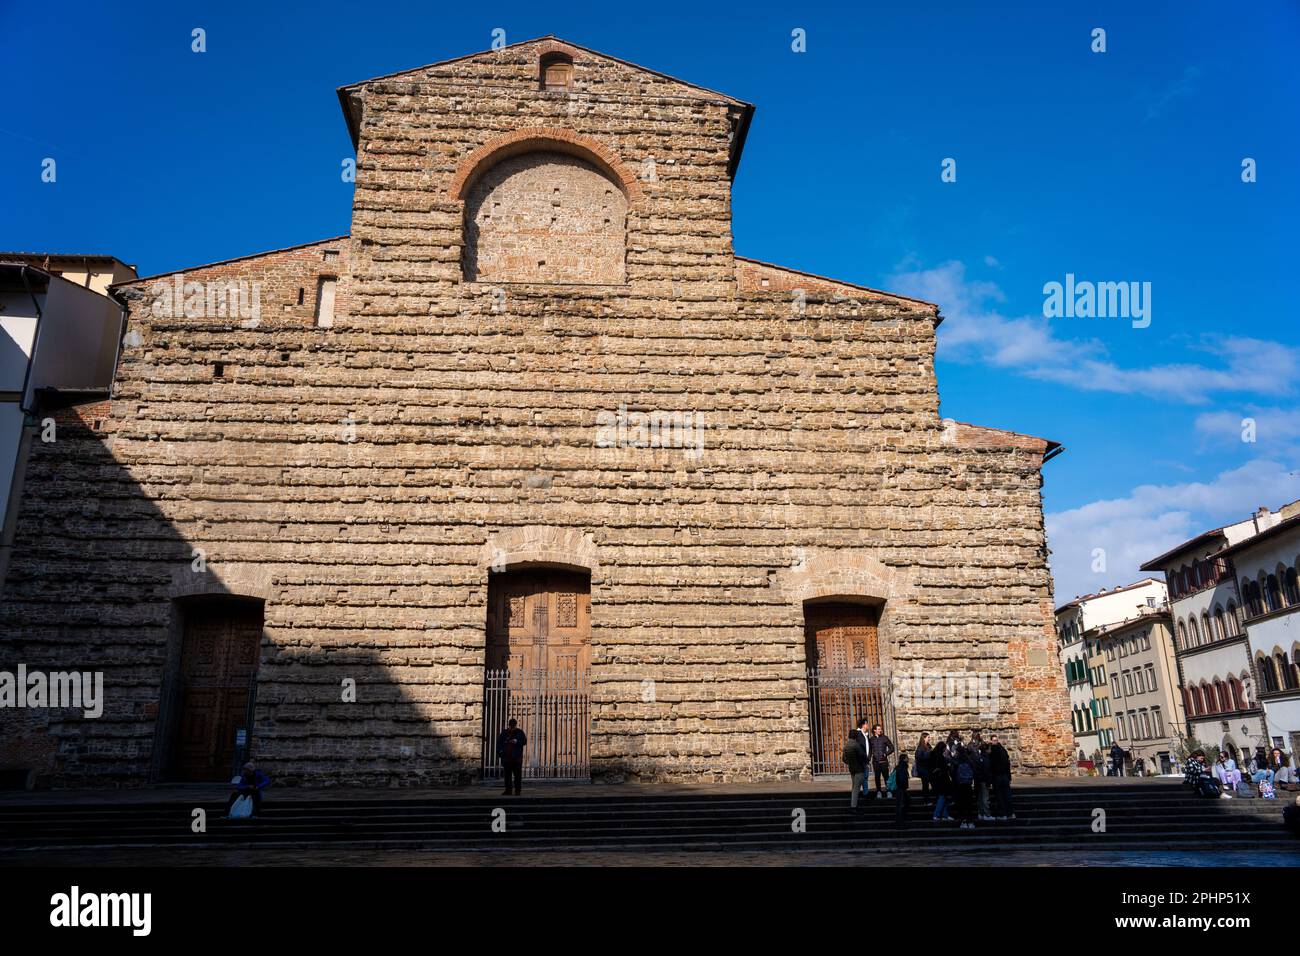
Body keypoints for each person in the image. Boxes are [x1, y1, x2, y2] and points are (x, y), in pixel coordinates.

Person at [497, 718, 527, 796]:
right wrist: (500, 752)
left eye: (513, 726)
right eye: (511, 726)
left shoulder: (520, 732)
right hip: (507, 758)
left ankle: (517, 791)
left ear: (515, 725)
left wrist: (517, 741)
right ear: (509, 725)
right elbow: (499, 743)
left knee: (517, 776)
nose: (512, 727)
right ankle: (508, 790)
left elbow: (524, 741)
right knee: (507, 776)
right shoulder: (504, 733)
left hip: (516, 758)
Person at [844, 718, 870, 810]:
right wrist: (866, 762)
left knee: (854, 786)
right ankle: (853, 806)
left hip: (852, 769)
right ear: (855, 736)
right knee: (856, 789)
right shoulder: (856, 745)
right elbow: (863, 756)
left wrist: (851, 762)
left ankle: (854, 804)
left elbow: (844, 759)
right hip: (859, 769)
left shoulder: (846, 746)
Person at [988, 733, 1015, 820]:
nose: (995, 742)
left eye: (995, 740)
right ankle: (1010, 813)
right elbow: (1007, 763)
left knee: (1000, 796)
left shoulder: (992, 750)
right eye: (994, 740)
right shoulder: (1003, 750)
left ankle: (1003, 814)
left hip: (998, 776)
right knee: (1006, 795)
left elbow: (991, 764)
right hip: (1004, 775)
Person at [951, 744, 976, 829]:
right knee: (969, 802)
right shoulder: (969, 760)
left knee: (962, 803)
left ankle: (963, 821)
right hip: (968, 783)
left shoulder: (956, 760)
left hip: (960, 784)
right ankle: (971, 821)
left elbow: (953, 772)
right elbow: (974, 770)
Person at [867, 723, 895, 799]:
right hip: (875, 761)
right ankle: (879, 791)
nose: (880, 730)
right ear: (874, 730)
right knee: (877, 777)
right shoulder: (871, 739)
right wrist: (868, 760)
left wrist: (886, 754)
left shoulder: (884, 738)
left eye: (880, 729)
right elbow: (869, 751)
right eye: (878, 729)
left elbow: (892, 748)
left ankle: (888, 791)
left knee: (886, 777)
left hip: (884, 761)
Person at [929, 740, 954, 822]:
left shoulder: (933, 755)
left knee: (943, 797)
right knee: (942, 797)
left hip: (937, 779)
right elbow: (941, 767)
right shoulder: (939, 756)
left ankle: (945, 814)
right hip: (941, 780)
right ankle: (937, 814)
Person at [972, 741, 993, 821]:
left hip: (978, 780)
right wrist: (989, 781)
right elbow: (987, 771)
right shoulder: (986, 758)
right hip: (984, 780)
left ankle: (981, 813)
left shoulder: (978, 757)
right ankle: (987, 814)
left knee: (980, 798)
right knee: (985, 798)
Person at [914, 732, 933, 808]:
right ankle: (926, 801)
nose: (929, 738)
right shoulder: (920, 748)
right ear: (924, 738)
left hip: (928, 769)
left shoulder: (928, 746)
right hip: (923, 769)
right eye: (928, 737)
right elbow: (918, 759)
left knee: (929, 785)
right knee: (925, 786)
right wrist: (928, 756)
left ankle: (929, 799)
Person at [892, 751, 910, 827]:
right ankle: (899, 823)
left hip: (900, 788)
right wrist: (904, 786)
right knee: (900, 805)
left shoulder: (899, 766)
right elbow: (902, 778)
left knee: (901, 805)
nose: (908, 759)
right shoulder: (902, 766)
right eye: (906, 758)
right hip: (901, 788)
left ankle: (900, 821)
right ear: (903, 759)